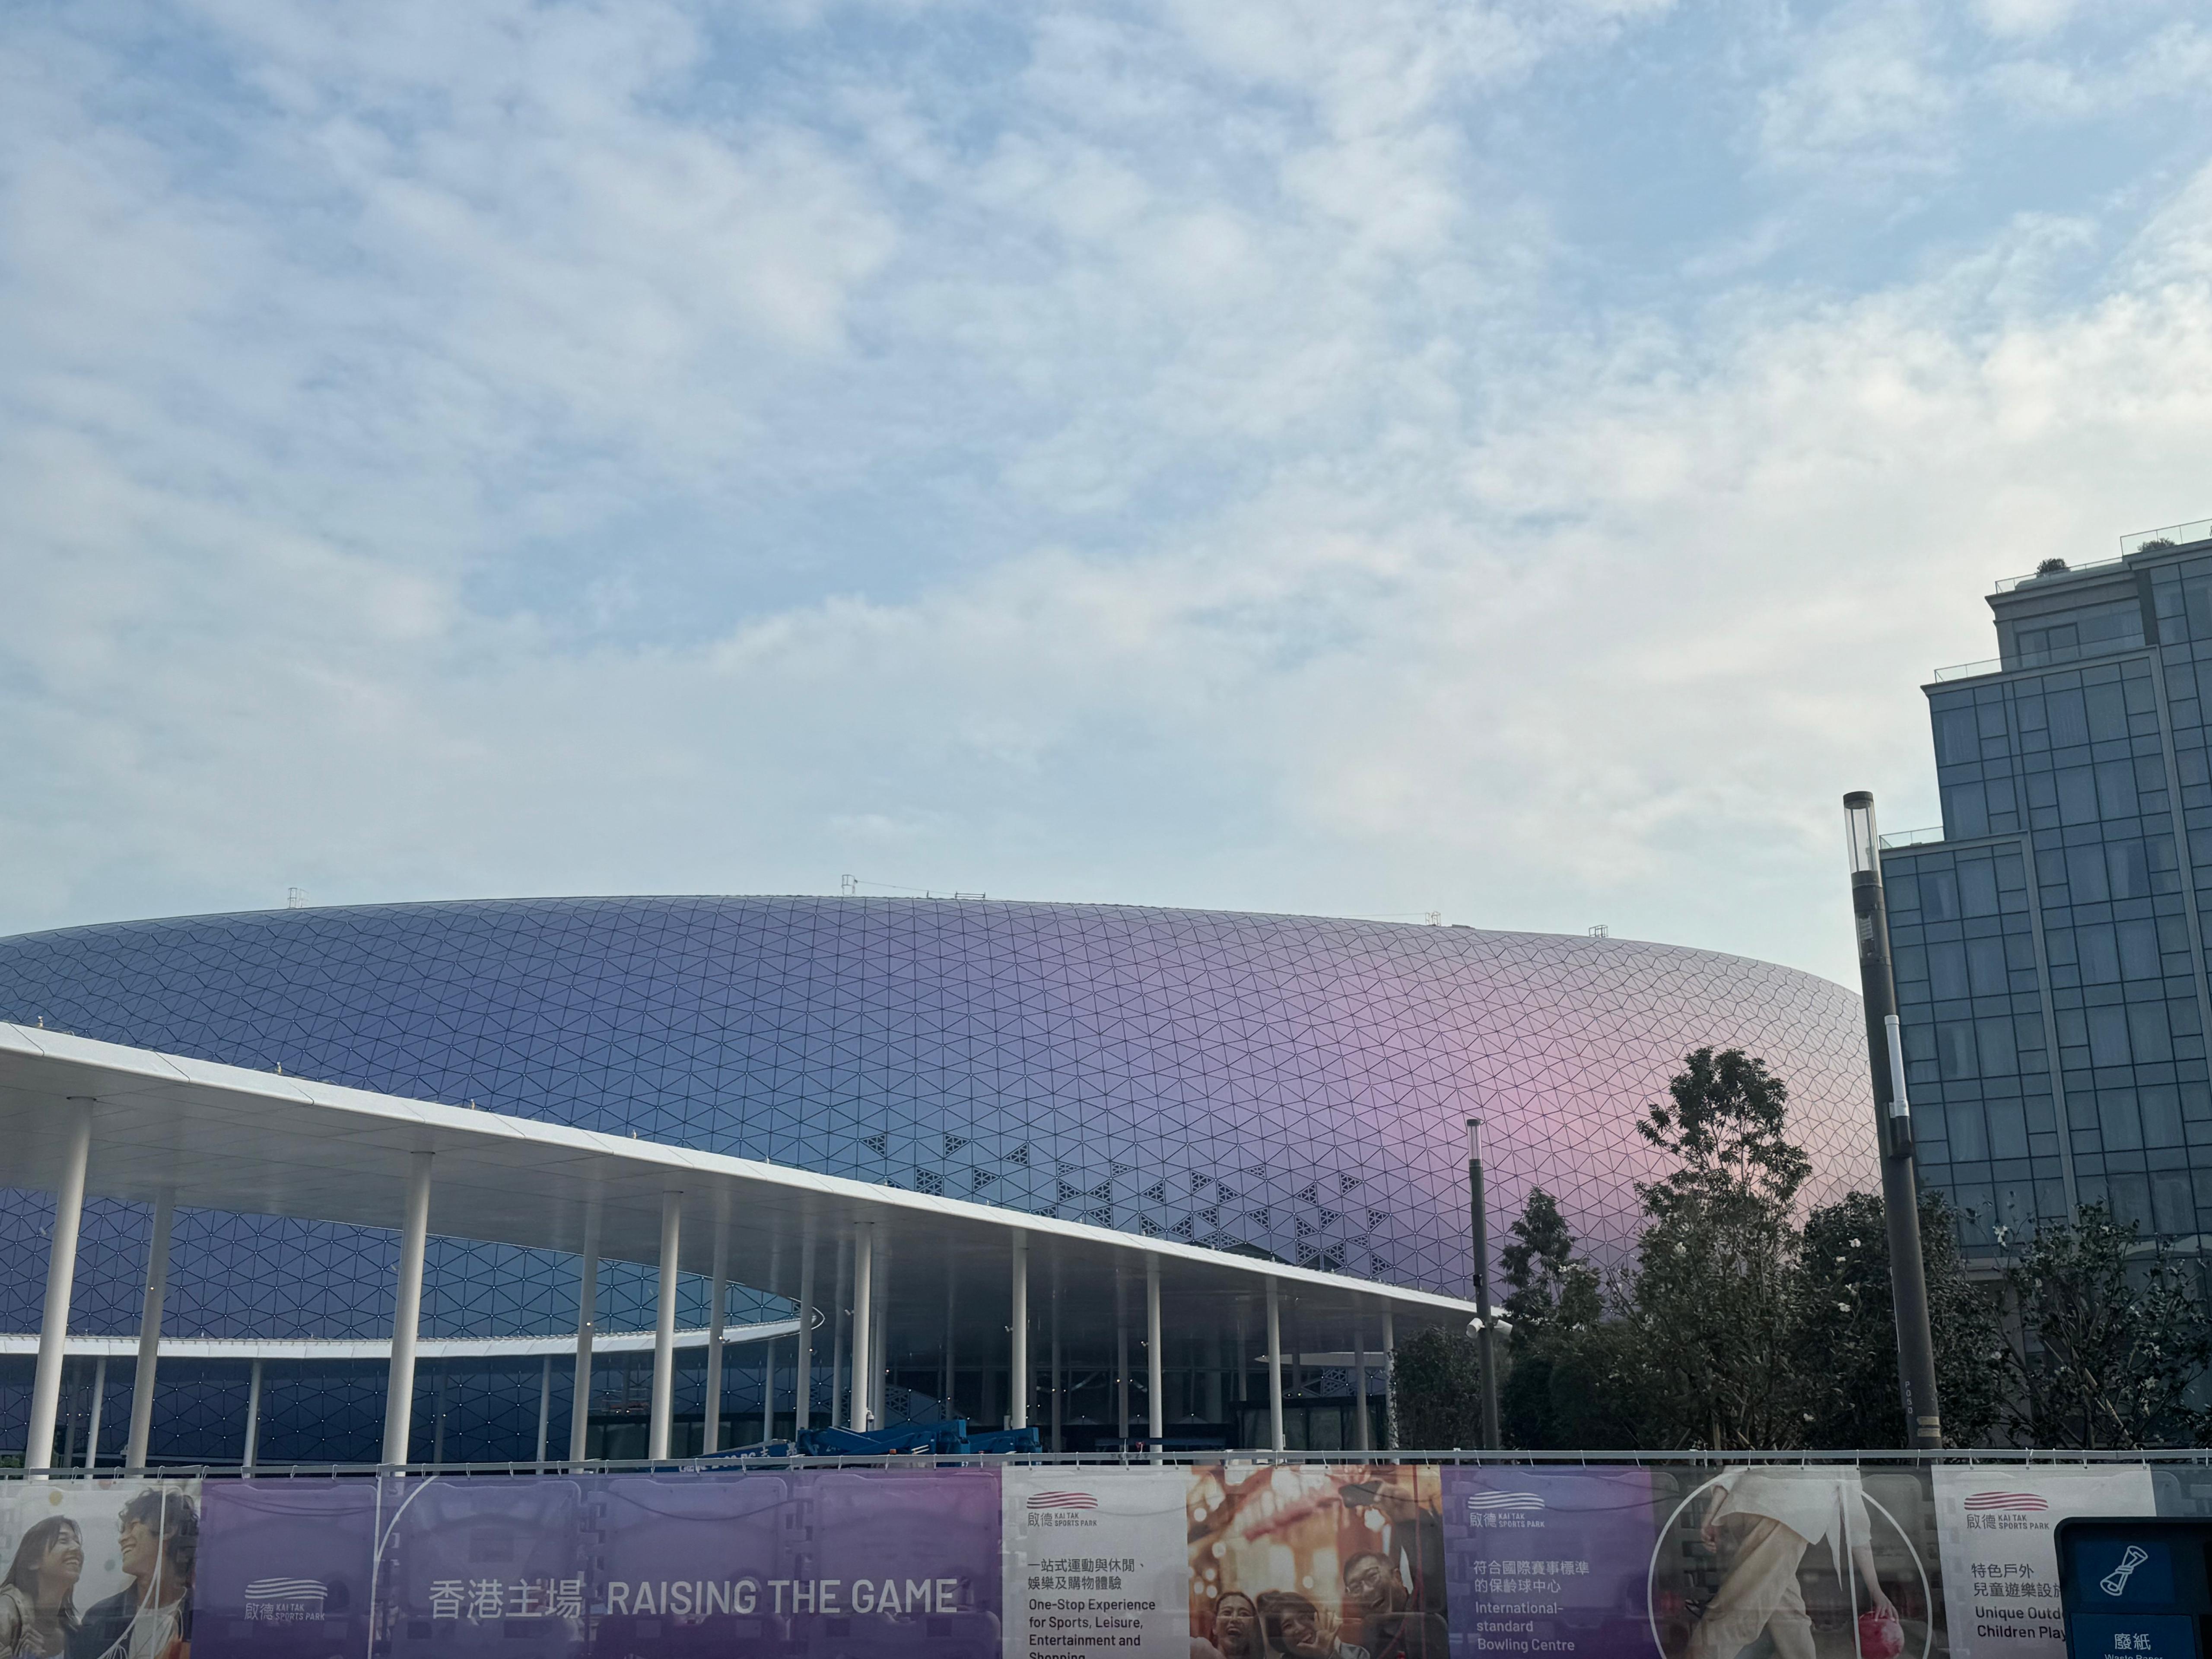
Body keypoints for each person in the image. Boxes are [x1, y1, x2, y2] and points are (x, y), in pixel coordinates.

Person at [1686, 1469, 1897, 1659]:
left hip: (1743, 1507)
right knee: (1741, 1613)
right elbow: (1858, 1535)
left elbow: (1737, 1468)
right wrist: (1876, 1591)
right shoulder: (1840, 1456)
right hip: (1783, 1517)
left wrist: (1712, 1513)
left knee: (1788, 1614)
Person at [68, 1491, 195, 1659]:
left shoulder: (201, 1618)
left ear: (168, 1529)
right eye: (123, 1531)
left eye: (132, 1526)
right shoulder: (100, 1616)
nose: (122, 1539)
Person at [0, 1519, 84, 1659]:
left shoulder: (72, 1629)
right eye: (63, 1541)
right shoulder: (6, 1612)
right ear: (33, 1562)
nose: (76, 1548)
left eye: (77, 1542)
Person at [1341, 1552, 1449, 1659]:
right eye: (1356, 1588)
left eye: (1372, 1576)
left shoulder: (1431, 1619)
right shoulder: (1364, 1641)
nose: (1366, 1591)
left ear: (1397, 1577)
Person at [1255, 1590, 1367, 1659]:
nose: (1300, 1628)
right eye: (1288, 1626)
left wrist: (1329, 1656)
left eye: (1303, 1617)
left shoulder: (1355, 1654)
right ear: (1280, 1638)